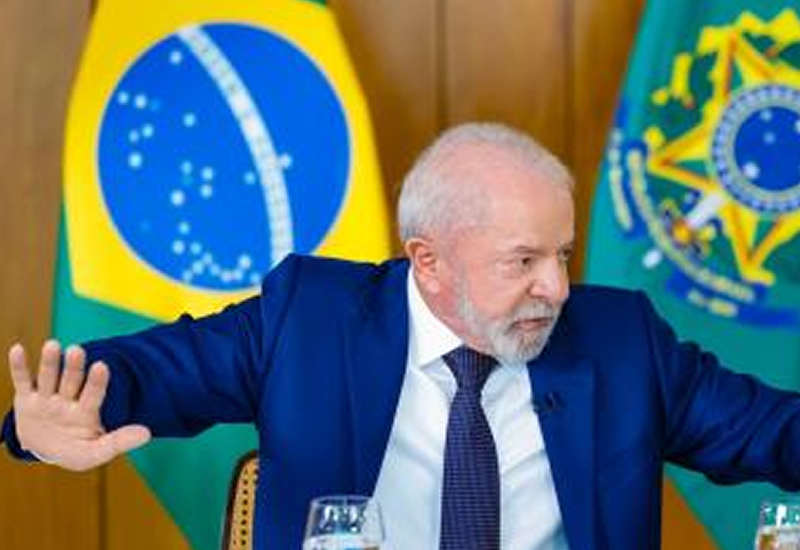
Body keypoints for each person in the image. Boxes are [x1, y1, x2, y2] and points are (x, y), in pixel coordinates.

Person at [3, 122, 800, 550]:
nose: (556, 288)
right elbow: (142, 376)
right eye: (522, 261)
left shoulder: (621, 339)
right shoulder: (308, 320)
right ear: (428, 261)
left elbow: (776, 433)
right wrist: (45, 422)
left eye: (561, 255)